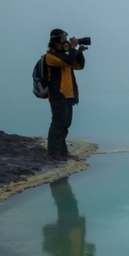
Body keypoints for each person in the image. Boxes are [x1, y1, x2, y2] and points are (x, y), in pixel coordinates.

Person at [44, 28, 86, 160]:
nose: (66, 40)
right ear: (56, 39)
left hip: (68, 94)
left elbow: (78, 65)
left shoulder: (65, 54)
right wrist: (72, 48)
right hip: (58, 95)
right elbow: (68, 61)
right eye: (63, 38)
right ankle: (53, 153)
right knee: (58, 124)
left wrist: (78, 51)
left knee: (66, 124)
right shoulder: (51, 56)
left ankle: (62, 152)